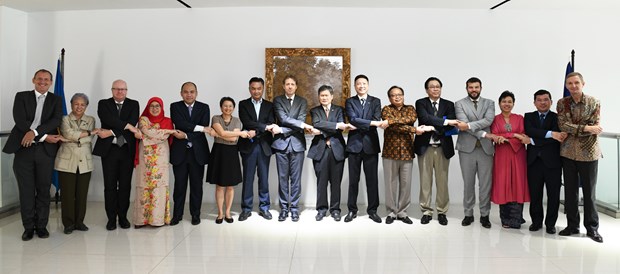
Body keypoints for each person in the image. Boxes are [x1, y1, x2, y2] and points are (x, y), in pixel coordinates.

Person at [3, 69, 62, 241]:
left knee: (43, 189)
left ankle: (41, 226)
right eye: (39, 79)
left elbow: (55, 120)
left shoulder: (56, 100)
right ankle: (28, 227)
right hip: (24, 149)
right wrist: (40, 135)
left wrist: (35, 132)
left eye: (46, 79)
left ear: (51, 82)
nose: (42, 82)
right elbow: (19, 119)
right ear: (33, 80)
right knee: (26, 190)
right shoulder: (21, 96)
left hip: (45, 151)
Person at [557, 72, 603, 243]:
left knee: (589, 193)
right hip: (568, 152)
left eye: (576, 82)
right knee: (570, 192)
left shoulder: (594, 102)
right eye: (570, 83)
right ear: (567, 85)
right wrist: (586, 129)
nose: (573, 86)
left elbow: (595, 127)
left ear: (583, 83)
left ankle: (592, 228)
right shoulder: (563, 103)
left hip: (588, 152)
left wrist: (579, 129)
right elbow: (563, 125)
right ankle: (572, 225)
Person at [93, 79, 141, 231]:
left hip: (126, 150)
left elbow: (132, 121)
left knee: (125, 185)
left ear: (127, 91)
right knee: (110, 185)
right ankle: (111, 218)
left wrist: (110, 131)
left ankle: (123, 217)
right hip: (109, 150)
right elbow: (108, 119)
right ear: (112, 90)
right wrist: (126, 126)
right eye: (117, 89)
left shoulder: (134, 104)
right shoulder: (103, 103)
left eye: (123, 89)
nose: (120, 91)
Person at [414, 77, 457, 226]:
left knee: (442, 182)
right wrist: (444, 122)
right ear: (427, 90)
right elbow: (424, 117)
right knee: (425, 182)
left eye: (438, 86)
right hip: (425, 148)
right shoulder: (421, 103)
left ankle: (442, 211)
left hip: (442, 148)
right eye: (432, 87)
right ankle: (426, 211)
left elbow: (452, 126)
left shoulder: (449, 104)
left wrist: (432, 126)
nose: (435, 89)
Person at [344, 74, 388, 223]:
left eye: (364, 84)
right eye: (358, 84)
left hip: (370, 145)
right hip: (354, 146)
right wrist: (373, 124)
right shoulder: (350, 101)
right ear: (354, 86)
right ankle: (352, 210)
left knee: (372, 180)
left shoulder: (375, 101)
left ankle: (373, 210)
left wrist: (368, 123)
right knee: (353, 181)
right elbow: (353, 119)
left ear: (368, 85)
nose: (361, 86)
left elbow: (376, 118)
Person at [307, 85, 354, 222]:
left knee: (335, 182)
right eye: (321, 95)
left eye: (326, 95)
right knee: (321, 182)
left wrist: (321, 130)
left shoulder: (339, 110)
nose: (324, 98)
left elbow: (339, 129)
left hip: (337, 150)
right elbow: (317, 122)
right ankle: (321, 210)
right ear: (318, 97)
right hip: (320, 150)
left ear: (332, 96)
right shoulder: (314, 111)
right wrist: (334, 125)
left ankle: (335, 210)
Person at [55, 93, 99, 234]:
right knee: (67, 194)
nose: (79, 107)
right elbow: (68, 134)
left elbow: (88, 139)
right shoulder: (64, 119)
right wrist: (85, 133)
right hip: (67, 160)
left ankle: (79, 222)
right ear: (71, 104)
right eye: (76, 104)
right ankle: (68, 223)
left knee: (81, 193)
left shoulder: (91, 119)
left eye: (82, 104)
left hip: (85, 161)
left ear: (86, 106)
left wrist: (75, 136)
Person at [133, 97, 180, 228]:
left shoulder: (168, 120)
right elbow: (148, 131)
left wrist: (145, 136)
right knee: (144, 185)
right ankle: (141, 220)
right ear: (148, 107)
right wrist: (169, 131)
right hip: (145, 157)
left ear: (162, 108)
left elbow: (156, 135)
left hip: (161, 157)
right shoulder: (143, 119)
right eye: (152, 106)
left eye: (157, 106)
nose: (154, 108)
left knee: (159, 186)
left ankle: (158, 220)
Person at [271, 75, 313, 222]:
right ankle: (284, 208)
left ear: (296, 86)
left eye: (292, 84)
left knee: (295, 179)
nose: (289, 86)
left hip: (297, 145)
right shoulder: (277, 100)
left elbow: (300, 121)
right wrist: (297, 126)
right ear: (283, 86)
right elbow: (282, 119)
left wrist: (282, 130)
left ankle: (294, 208)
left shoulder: (302, 101)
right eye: (287, 84)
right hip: (281, 145)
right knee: (283, 178)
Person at [455, 77, 495, 228]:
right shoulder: (459, 104)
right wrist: (483, 134)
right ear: (466, 88)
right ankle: (468, 214)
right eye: (471, 87)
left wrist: (468, 125)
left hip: (485, 149)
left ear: (481, 87)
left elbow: (489, 120)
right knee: (468, 183)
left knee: (485, 184)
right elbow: (462, 123)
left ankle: (485, 215)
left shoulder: (489, 103)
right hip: (466, 149)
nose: (474, 90)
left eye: (476, 87)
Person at [169, 82, 211, 226]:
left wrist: (186, 136)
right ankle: (177, 215)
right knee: (179, 186)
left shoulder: (204, 107)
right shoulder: (175, 106)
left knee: (196, 186)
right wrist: (199, 129)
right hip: (179, 153)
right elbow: (179, 123)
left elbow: (204, 127)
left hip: (197, 153)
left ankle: (195, 215)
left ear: (196, 93)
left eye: (192, 92)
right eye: (186, 92)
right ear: (181, 93)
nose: (189, 94)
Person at [524, 89, 565, 234]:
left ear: (551, 102)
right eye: (539, 100)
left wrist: (533, 141)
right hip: (533, 162)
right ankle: (536, 222)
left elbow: (556, 140)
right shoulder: (528, 116)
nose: (542, 102)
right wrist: (551, 134)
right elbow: (530, 130)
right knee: (535, 194)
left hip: (553, 162)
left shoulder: (558, 117)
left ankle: (550, 224)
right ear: (534, 102)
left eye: (546, 99)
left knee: (553, 195)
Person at [487, 91, 530, 229]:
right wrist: (514, 135)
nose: (507, 104)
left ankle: (516, 218)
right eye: (504, 101)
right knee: (503, 183)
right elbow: (494, 134)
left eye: (509, 101)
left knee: (518, 183)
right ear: (499, 103)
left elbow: (523, 136)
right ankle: (505, 218)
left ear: (513, 103)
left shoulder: (520, 118)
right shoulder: (494, 119)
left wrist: (508, 136)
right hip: (502, 154)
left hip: (518, 154)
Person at [238, 77, 278, 221]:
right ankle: (246, 209)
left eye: (258, 88)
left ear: (263, 89)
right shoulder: (243, 104)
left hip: (264, 146)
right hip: (248, 146)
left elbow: (271, 123)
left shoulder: (269, 105)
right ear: (249, 89)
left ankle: (264, 207)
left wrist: (257, 131)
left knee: (264, 178)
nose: (256, 91)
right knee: (248, 178)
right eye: (253, 88)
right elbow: (246, 122)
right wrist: (263, 127)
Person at [206, 97, 250, 224]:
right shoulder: (215, 118)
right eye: (225, 106)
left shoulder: (237, 120)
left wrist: (218, 134)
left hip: (231, 154)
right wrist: (236, 133)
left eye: (230, 106)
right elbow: (227, 135)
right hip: (219, 153)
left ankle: (227, 212)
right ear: (221, 107)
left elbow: (233, 140)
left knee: (230, 186)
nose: (228, 108)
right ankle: (220, 213)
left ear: (233, 108)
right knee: (220, 185)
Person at [381, 86, 417, 225]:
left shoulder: (410, 108)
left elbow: (411, 118)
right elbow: (395, 126)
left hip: (407, 151)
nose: (397, 97)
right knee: (390, 184)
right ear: (389, 97)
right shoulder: (386, 109)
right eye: (393, 95)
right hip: (390, 152)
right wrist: (413, 129)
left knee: (406, 184)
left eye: (399, 95)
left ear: (403, 95)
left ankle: (402, 212)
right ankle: (391, 212)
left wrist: (391, 121)